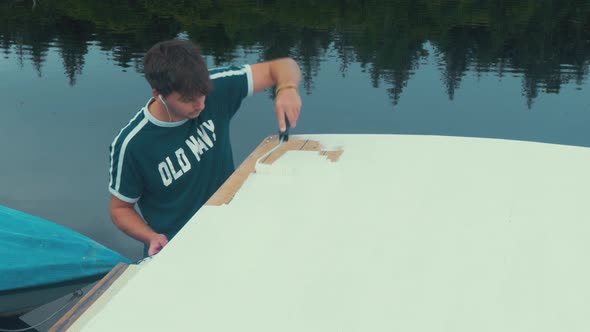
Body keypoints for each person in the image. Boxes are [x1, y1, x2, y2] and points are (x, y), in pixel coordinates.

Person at [108, 39, 301, 257]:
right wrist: (150, 236)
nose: (200, 104)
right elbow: (120, 209)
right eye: (188, 99)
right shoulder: (132, 145)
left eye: (203, 93)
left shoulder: (214, 87)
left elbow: (284, 66)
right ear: (157, 94)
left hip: (230, 231)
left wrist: (286, 88)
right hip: (178, 251)